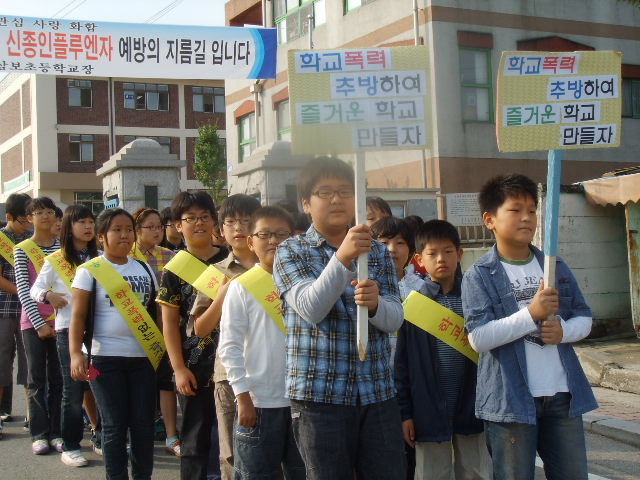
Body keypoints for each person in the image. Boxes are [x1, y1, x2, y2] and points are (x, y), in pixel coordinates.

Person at [273, 157, 406, 480]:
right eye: (325, 192)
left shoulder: (376, 252)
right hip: (320, 398)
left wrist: (376, 307)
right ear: (306, 203)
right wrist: (343, 256)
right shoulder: (290, 251)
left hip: (377, 392)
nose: (336, 199)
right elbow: (310, 307)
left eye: (345, 191)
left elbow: (396, 319)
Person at [462, 174, 597, 480]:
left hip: (562, 396)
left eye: (532, 210)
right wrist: (532, 314)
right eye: (515, 209)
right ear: (490, 220)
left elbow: (584, 317)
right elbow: (478, 338)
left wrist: (565, 331)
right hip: (510, 400)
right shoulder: (478, 275)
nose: (527, 218)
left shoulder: (553, 265)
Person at [396, 220, 491, 480]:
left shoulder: (475, 299)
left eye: (448, 251)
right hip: (427, 410)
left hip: (472, 405)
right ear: (419, 259)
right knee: (431, 474)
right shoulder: (413, 306)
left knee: (476, 472)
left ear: (460, 254)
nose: (442, 259)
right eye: (432, 253)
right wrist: (405, 413)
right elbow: (402, 365)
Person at [69, 208, 159, 480]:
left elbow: (156, 313)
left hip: (143, 359)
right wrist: (75, 354)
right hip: (104, 358)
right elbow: (78, 316)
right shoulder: (89, 270)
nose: (124, 235)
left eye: (128, 229)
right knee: (114, 426)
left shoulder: (144, 268)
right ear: (101, 237)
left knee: (143, 426)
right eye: (116, 229)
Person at [218, 206, 305, 479]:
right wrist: (242, 397)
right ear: (250, 242)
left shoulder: (306, 286)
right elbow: (229, 346)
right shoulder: (241, 286)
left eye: (282, 234)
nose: (274, 241)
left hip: (302, 404)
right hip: (258, 405)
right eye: (265, 234)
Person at [157, 192, 228, 480]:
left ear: (214, 221)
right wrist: (178, 368)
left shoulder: (231, 259)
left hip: (233, 364)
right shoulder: (174, 269)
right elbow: (170, 324)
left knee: (234, 439)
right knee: (195, 440)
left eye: (204, 217)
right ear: (177, 225)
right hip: (195, 367)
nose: (198, 223)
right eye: (190, 218)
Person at [190, 194, 261, 480]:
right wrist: (221, 296)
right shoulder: (214, 272)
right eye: (231, 221)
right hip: (230, 374)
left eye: (246, 220)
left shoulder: (278, 268)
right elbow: (200, 329)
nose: (238, 227)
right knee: (231, 451)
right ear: (221, 230)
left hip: (274, 371)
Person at [131, 207, 180, 456]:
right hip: (134, 326)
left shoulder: (169, 256)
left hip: (163, 325)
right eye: (150, 226)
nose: (157, 231)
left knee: (164, 381)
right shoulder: (126, 255)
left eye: (159, 226)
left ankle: (172, 434)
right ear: (137, 230)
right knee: (137, 382)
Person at [14, 197, 62, 455]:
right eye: (39, 212)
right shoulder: (22, 248)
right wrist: (39, 323)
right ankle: (39, 433)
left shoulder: (62, 247)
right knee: (36, 380)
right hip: (32, 323)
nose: (45, 216)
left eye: (49, 211)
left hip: (61, 321)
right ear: (30, 218)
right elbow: (23, 289)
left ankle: (57, 432)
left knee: (59, 380)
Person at [0, 193, 31, 438]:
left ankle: (32, 415)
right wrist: (25, 292)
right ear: (9, 217)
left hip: (31, 310)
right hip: (4, 308)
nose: (28, 224)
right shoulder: (1, 239)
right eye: (23, 220)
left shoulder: (33, 240)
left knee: (29, 362)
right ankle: (2, 411)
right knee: (2, 360)